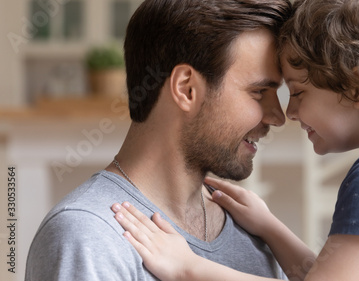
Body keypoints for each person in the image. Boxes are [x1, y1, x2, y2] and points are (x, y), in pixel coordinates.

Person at [111, 0, 359, 280]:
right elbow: (327, 274)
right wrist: (270, 227)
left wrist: (188, 268)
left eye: (299, 92)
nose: (288, 114)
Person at [25, 0, 293, 280]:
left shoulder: (254, 227)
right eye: (260, 91)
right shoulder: (88, 236)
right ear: (186, 89)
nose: (278, 117)